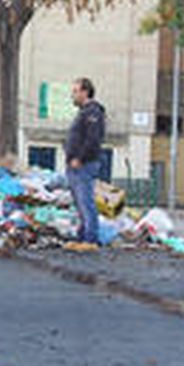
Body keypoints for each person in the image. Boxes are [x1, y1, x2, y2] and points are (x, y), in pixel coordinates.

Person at [63, 77, 106, 249]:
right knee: (80, 204)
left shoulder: (93, 112)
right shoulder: (83, 112)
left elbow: (93, 139)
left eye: (75, 91)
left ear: (85, 92)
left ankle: (91, 239)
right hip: (75, 165)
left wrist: (79, 158)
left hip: (83, 165)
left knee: (86, 201)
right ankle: (82, 238)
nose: (72, 95)